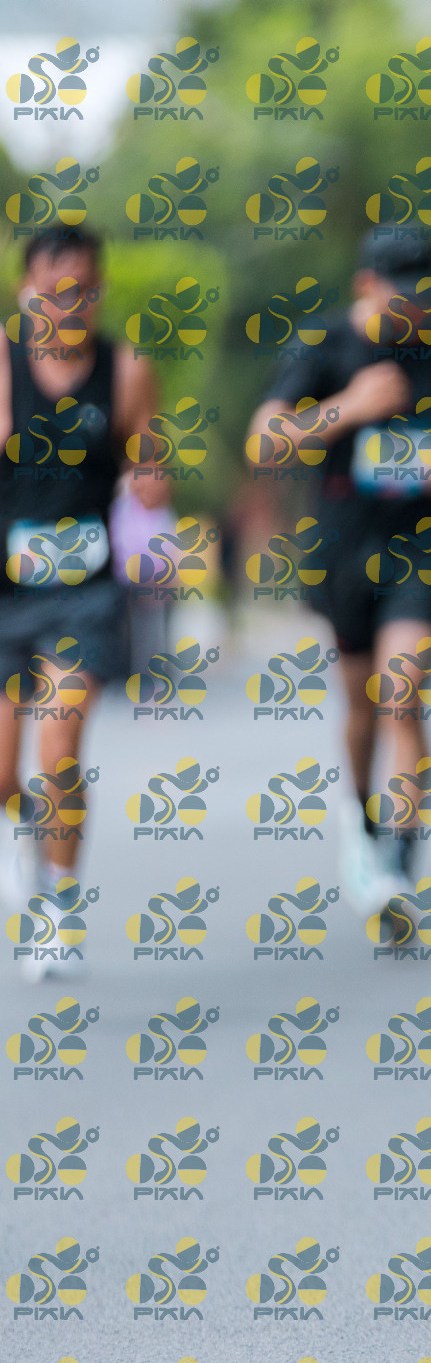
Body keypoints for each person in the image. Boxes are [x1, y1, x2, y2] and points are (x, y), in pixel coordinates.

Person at [247, 237, 431, 916]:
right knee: (363, 703)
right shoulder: (324, 345)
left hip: (422, 544)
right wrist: (350, 407)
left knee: (403, 691)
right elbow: (264, 442)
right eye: (404, 293)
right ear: (367, 283)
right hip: (342, 548)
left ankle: (398, 858)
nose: (417, 306)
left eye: (427, 293)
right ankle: (361, 817)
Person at [0, 225, 165, 972]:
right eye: (52, 293)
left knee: (58, 747)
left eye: (82, 292)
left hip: (85, 592)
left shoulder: (126, 370)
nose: (67, 307)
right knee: (6, 772)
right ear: (25, 293)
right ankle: (26, 837)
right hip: (8, 589)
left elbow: (151, 462)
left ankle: (57, 907)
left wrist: (151, 479)